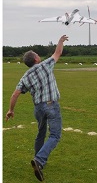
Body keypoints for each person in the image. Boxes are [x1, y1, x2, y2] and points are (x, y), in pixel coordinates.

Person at [6, 35, 69, 182]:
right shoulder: (45, 65)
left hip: (38, 108)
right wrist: (60, 41)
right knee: (55, 135)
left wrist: (11, 110)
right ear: (36, 59)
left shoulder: (25, 76)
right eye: (37, 55)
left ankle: (38, 161)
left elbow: (15, 94)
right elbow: (58, 53)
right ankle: (39, 160)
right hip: (51, 105)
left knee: (40, 133)